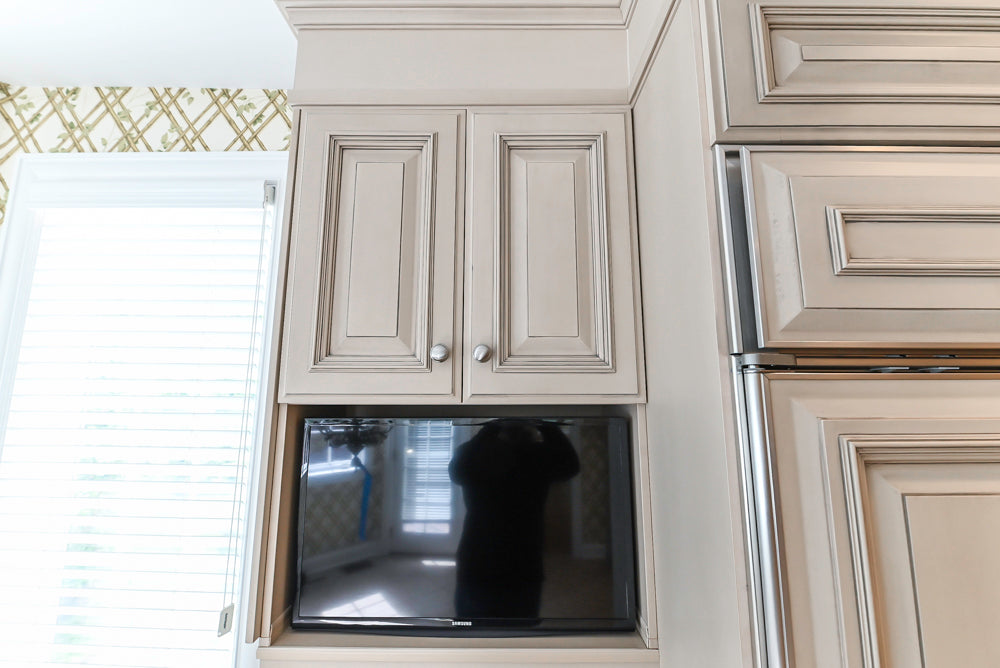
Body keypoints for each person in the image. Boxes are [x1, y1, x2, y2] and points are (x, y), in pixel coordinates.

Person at [449, 419, 580, 619]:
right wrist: (545, 424)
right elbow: (571, 464)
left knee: (471, 624)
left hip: (478, 558)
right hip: (523, 561)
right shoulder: (538, 456)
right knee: (519, 627)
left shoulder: (477, 454)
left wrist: (490, 426)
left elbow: (457, 470)